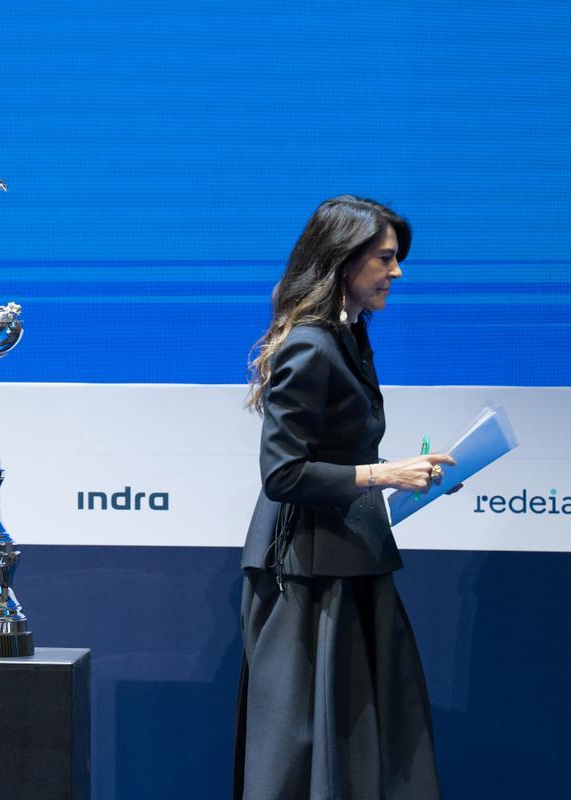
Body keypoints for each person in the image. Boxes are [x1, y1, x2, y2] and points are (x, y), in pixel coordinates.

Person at [233, 196, 453, 799]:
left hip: (345, 558)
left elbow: (337, 451)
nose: (397, 271)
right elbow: (283, 475)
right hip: (306, 575)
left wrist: (401, 473)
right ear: (343, 259)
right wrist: (384, 475)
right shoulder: (311, 344)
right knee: (303, 751)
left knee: (359, 745)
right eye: (385, 258)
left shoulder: (349, 336)